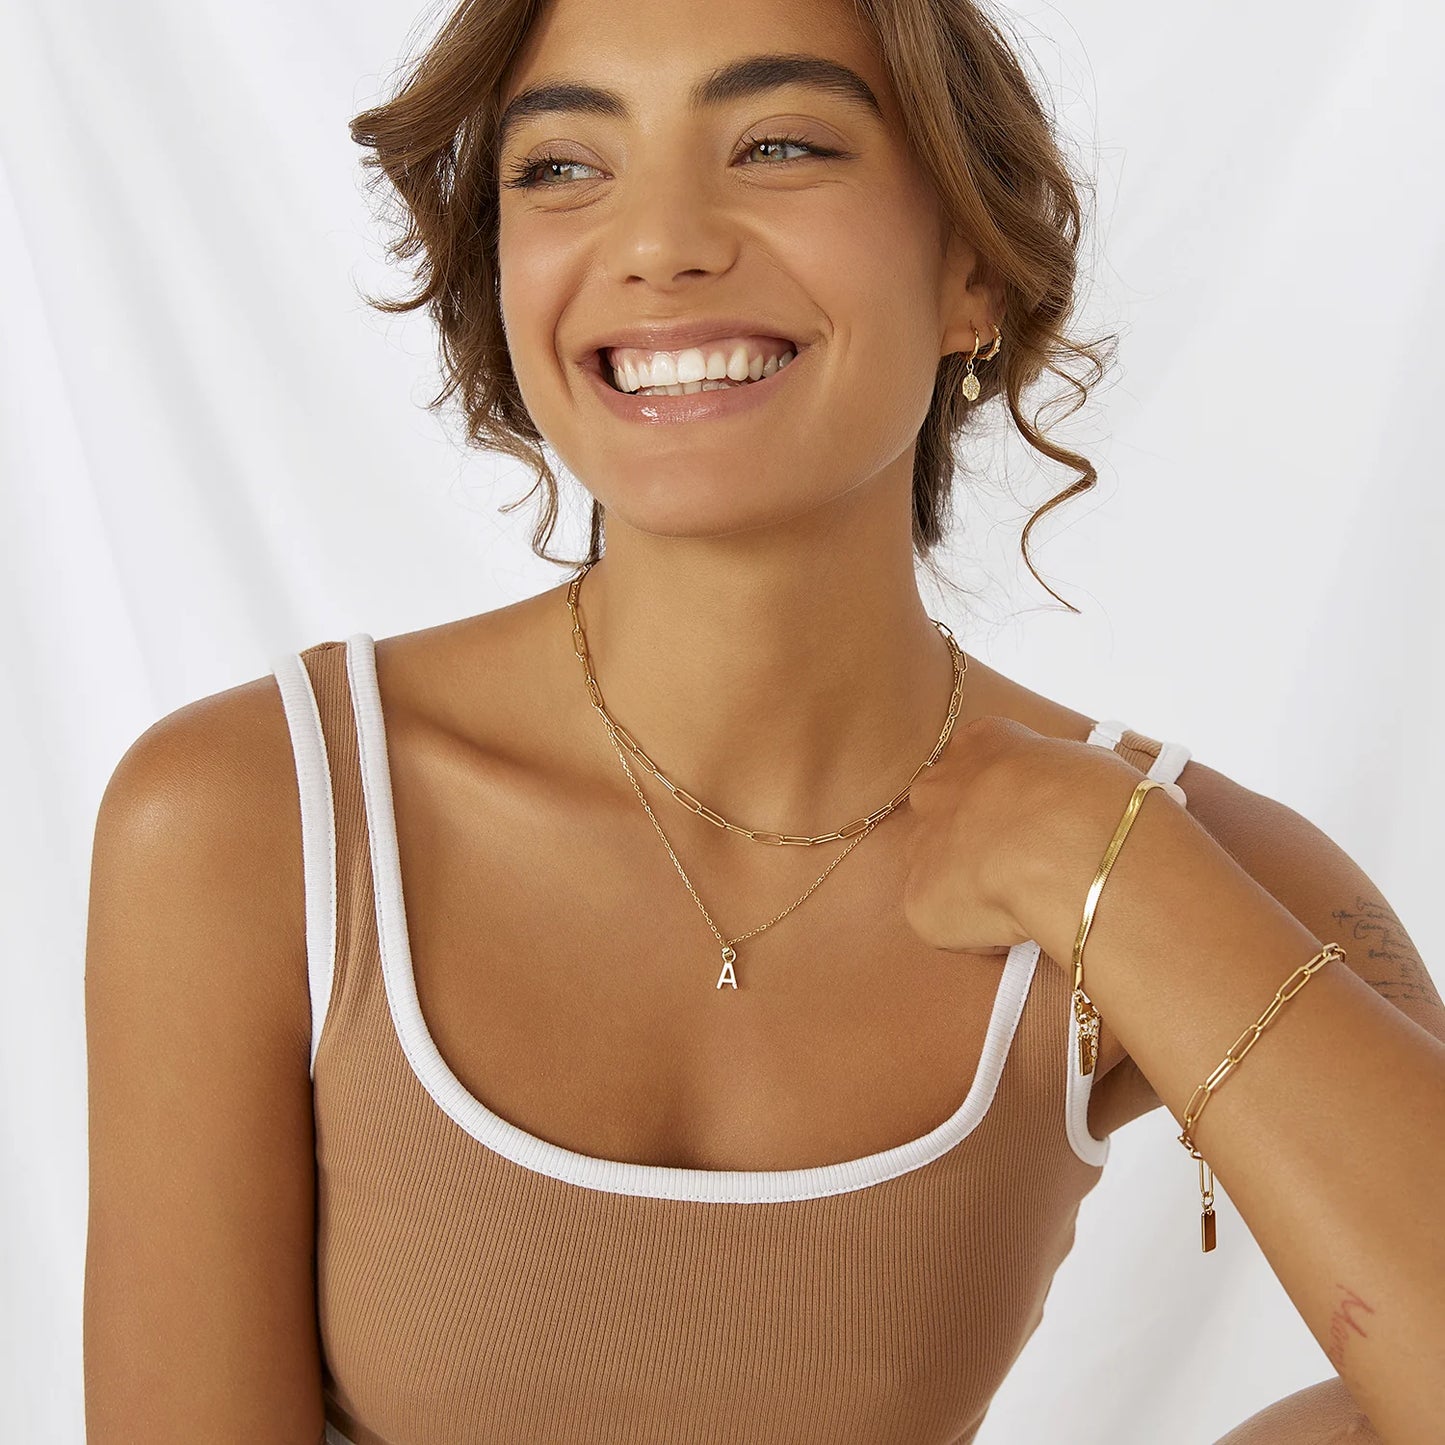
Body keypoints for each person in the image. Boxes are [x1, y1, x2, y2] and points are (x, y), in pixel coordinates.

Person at [83, 0, 1442, 1441]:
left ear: (970, 270)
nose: (659, 238)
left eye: (779, 143)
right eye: (559, 167)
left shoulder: (1193, 857)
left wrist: (1113, 871)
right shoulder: (257, 818)